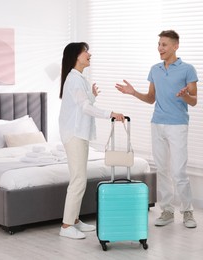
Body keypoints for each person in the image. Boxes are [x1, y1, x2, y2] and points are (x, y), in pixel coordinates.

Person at [115, 30, 198, 228]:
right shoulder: (155, 69)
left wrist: (184, 95)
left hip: (178, 124)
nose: (160, 48)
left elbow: (194, 100)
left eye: (164, 45)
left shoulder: (188, 69)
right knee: (161, 169)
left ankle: (187, 211)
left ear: (175, 46)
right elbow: (151, 98)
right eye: (159, 44)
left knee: (178, 172)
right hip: (157, 123)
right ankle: (167, 210)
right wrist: (134, 92)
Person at [59, 42, 124, 239]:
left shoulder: (79, 79)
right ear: (76, 56)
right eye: (85, 51)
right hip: (75, 134)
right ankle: (66, 226)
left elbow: (83, 106)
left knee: (80, 178)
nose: (89, 54)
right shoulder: (74, 79)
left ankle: (75, 220)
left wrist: (92, 97)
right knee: (78, 179)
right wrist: (110, 113)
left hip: (80, 133)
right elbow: (85, 108)